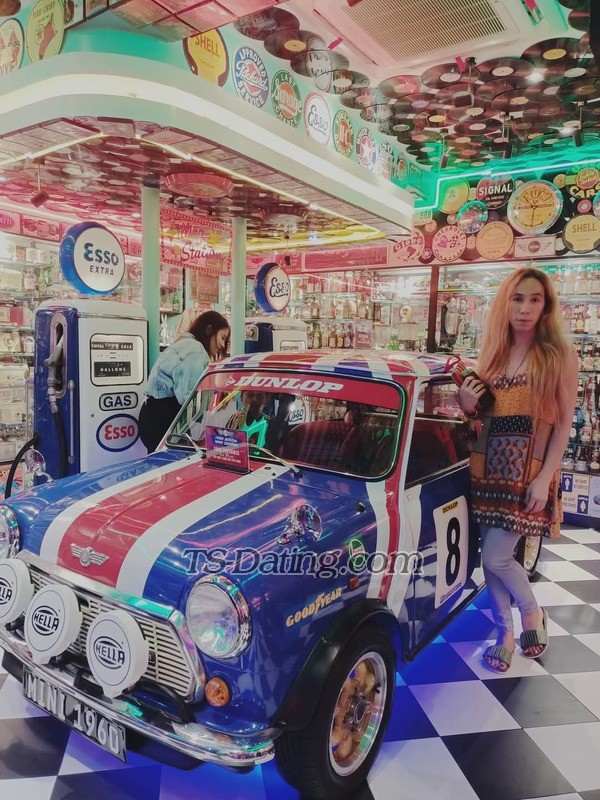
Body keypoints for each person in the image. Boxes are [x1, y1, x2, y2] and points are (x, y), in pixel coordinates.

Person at [458, 267, 578, 673]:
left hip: (528, 473)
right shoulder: (492, 354)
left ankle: (531, 612)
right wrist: (467, 404)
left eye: (534, 299)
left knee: (496, 558)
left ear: (546, 307)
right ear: (505, 304)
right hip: (486, 469)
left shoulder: (559, 356)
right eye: (517, 298)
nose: (525, 308)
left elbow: (563, 424)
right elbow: (479, 417)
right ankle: (504, 635)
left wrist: (544, 478)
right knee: (492, 558)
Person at [139, 310, 229, 453]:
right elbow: (190, 399)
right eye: (222, 337)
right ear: (209, 330)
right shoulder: (196, 351)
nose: (223, 345)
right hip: (164, 421)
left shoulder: (185, 344)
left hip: (152, 416)